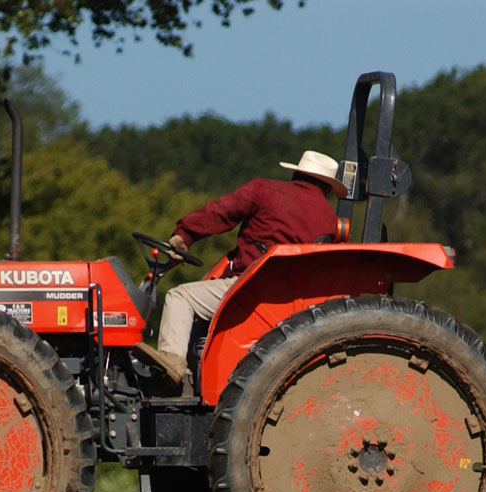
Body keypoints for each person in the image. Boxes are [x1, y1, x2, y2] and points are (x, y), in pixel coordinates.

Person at [133, 150, 346, 383]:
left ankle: (171, 365)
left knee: (180, 297)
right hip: (292, 301)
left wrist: (185, 234)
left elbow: (221, 212)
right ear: (326, 187)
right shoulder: (329, 220)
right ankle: (193, 374)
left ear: (296, 173)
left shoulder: (266, 191)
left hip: (250, 289)